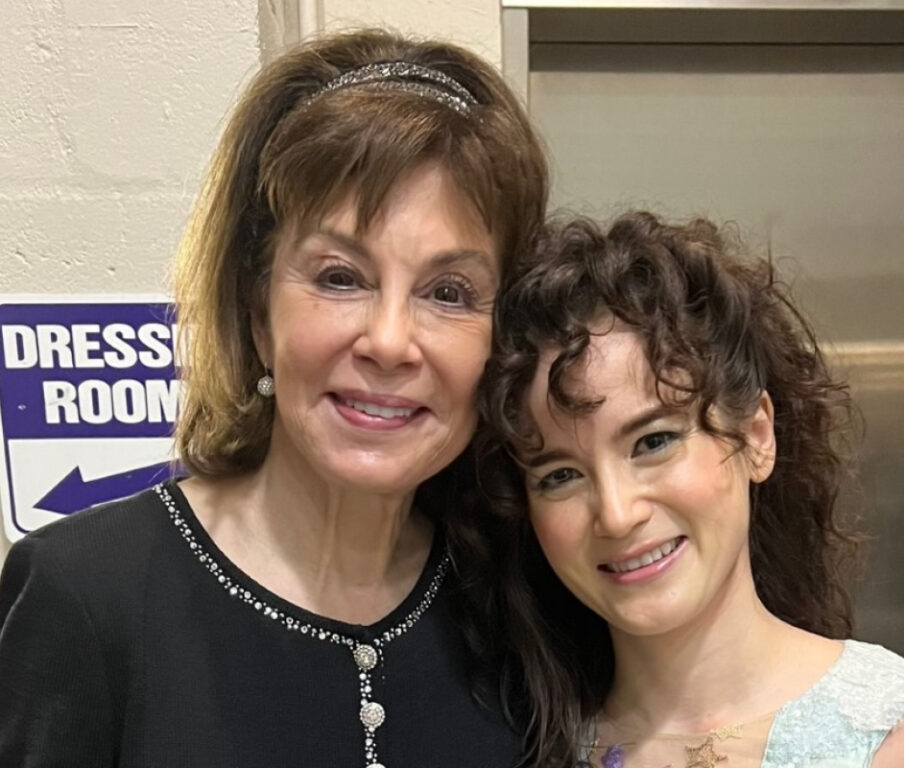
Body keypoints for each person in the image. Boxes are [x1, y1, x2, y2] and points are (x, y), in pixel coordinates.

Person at [0, 29, 546, 767]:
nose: (389, 341)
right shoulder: (86, 596)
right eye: (339, 277)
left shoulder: (519, 602)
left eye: (449, 293)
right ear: (257, 311)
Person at [479, 211, 904, 768]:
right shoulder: (515, 745)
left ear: (757, 435)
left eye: (654, 441)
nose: (616, 515)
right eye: (560, 476)